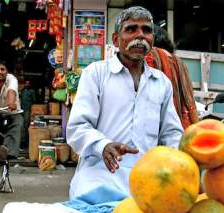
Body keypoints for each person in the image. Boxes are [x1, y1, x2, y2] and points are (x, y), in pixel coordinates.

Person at [66, 6, 183, 199]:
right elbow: (78, 127)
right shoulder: (96, 73)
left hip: (147, 184)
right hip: (99, 179)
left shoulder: (161, 82)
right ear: (115, 40)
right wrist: (103, 145)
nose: (140, 36)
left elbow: (172, 134)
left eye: (146, 30)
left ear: (152, 39)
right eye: (131, 29)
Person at [145, 25, 198, 129]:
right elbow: (189, 100)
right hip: (180, 123)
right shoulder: (179, 62)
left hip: (154, 123)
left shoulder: (149, 55)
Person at [19, 80, 35, 148]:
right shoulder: (23, 91)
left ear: (30, 84)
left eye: (28, 83)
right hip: (21, 110)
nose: (26, 84)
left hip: (28, 110)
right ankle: (22, 142)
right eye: (26, 83)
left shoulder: (31, 91)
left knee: (26, 126)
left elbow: (34, 100)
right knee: (21, 126)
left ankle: (25, 142)